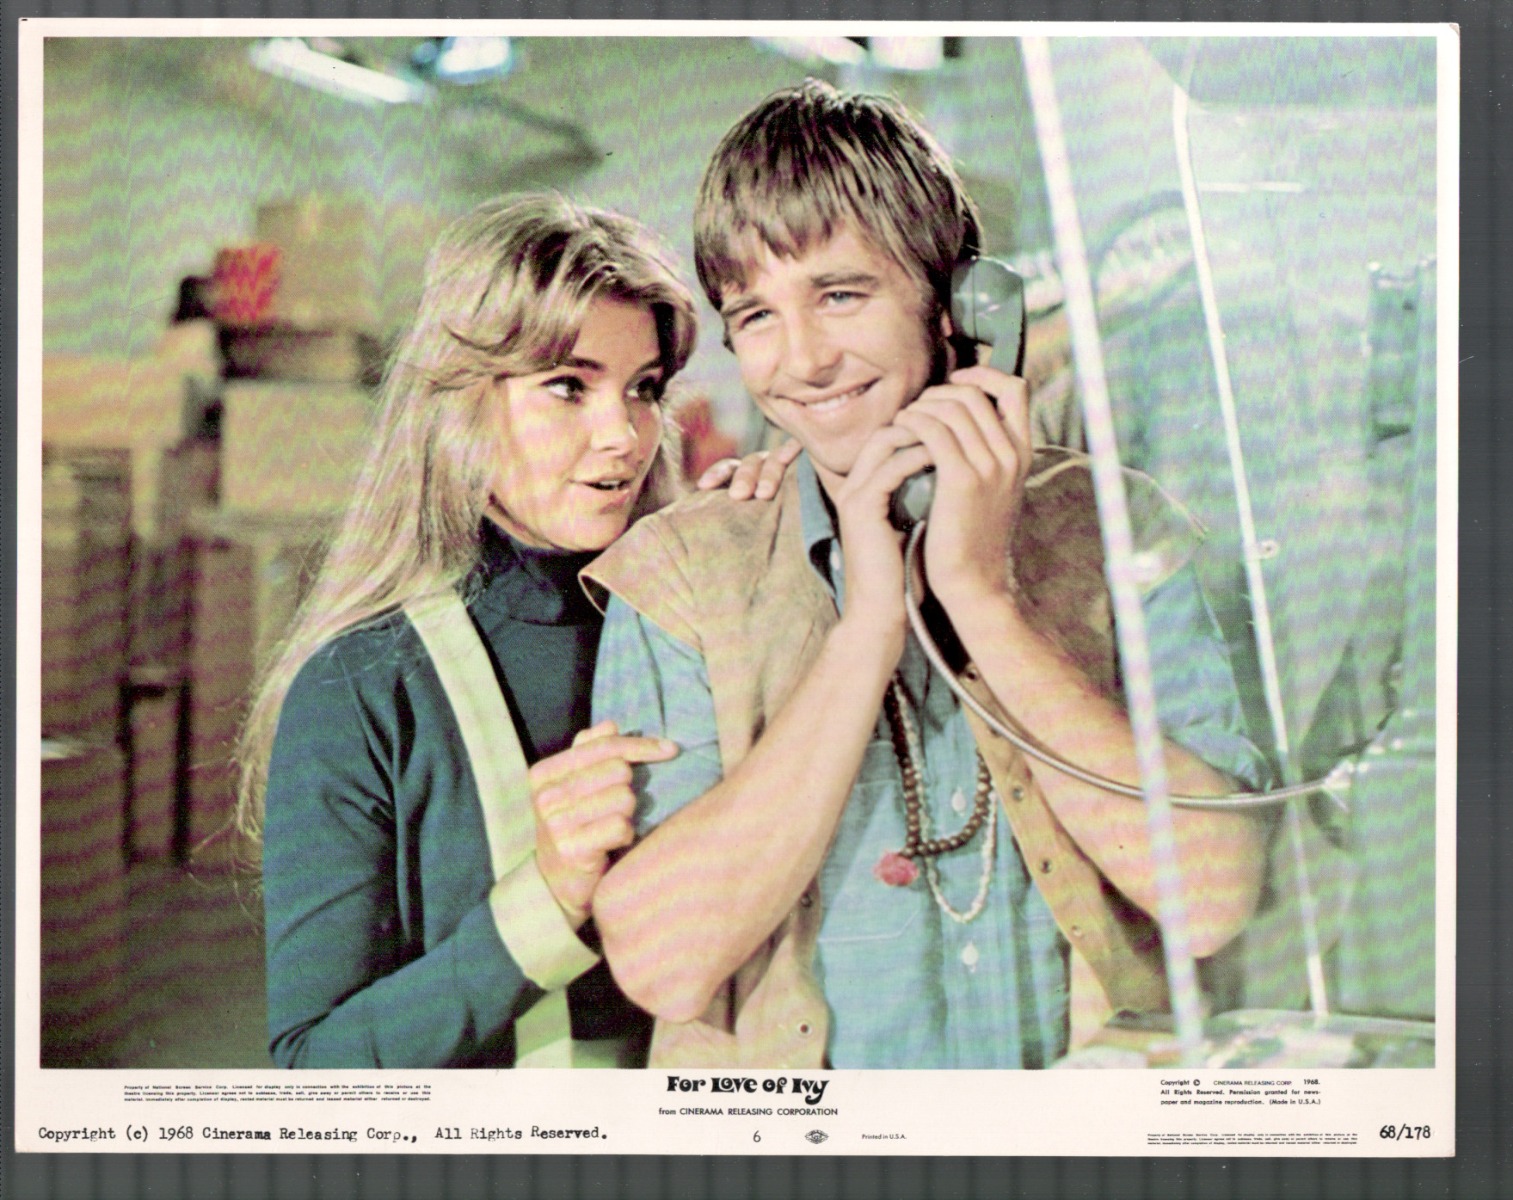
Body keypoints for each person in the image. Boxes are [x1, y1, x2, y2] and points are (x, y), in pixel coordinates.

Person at [586, 81, 1271, 1069]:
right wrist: (869, 626)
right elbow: (666, 967)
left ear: (956, 307)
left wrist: (980, 595)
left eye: (840, 295)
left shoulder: (1112, 524)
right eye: (758, 316)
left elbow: (1208, 899)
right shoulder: (684, 570)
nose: (804, 362)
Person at [236, 193, 794, 1068]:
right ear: (458, 404)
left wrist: (762, 560)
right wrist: (546, 899)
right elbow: (316, 1070)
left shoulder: (692, 624)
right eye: (567, 386)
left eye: (644, 389)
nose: (623, 436)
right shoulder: (363, 686)